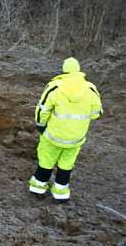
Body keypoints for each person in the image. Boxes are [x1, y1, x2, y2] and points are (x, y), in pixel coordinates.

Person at [28, 57, 103, 202]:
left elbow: (42, 109)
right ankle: (60, 193)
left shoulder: (55, 87)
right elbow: (96, 113)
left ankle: (38, 187)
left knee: (46, 159)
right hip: (76, 137)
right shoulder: (90, 88)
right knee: (67, 164)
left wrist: (40, 124)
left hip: (53, 135)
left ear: (64, 70)